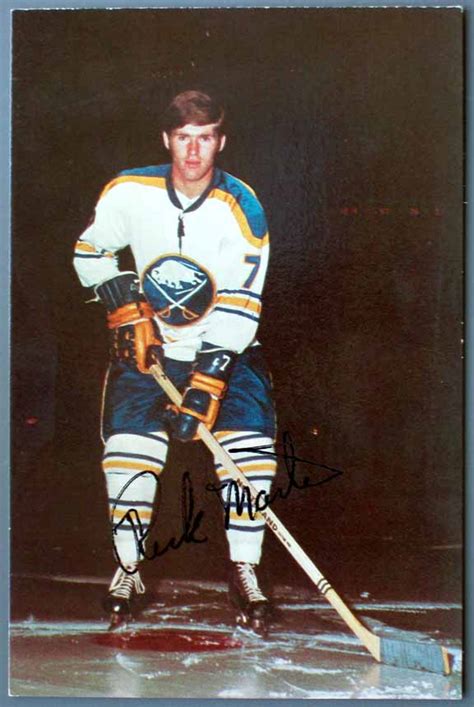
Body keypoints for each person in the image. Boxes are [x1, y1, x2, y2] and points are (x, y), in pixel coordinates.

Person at [73, 90, 277, 634]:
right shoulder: (128, 191)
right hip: (151, 353)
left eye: (204, 138)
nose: (192, 151)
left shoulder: (242, 206)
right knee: (128, 456)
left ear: (220, 141)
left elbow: (242, 300)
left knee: (249, 457)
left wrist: (208, 379)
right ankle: (128, 568)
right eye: (183, 138)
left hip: (228, 352)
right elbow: (90, 252)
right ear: (166, 139)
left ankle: (245, 569)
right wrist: (121, 296)